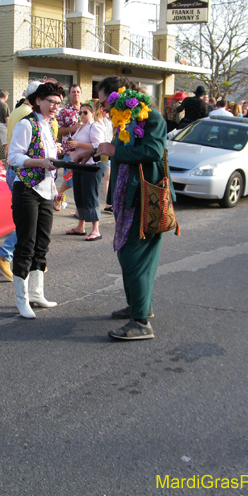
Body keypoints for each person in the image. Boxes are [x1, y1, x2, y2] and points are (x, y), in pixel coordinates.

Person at [73, 76, 168, 341]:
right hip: (128, 198)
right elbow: (120, 148)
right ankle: (139, 306)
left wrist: (112, 151)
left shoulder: (151, 118)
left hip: (144, 199)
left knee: (134, 258)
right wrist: (95, 152)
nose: (102, 108)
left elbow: (152, 151)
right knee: (132, 257)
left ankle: (141, 323)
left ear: (119, 98)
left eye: (104, 103)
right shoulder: (124, 119)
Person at [7, 81, 63, 319]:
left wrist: (56, 152)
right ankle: (21, 299)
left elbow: (46, 155)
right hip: (27, 190)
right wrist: (41, 162)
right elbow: (13, 157)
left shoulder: (48, 125)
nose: (55, 106)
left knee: (42, 243)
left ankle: (36, 293)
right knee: (26, 244)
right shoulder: (26, 123)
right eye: (51, 101)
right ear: (38, 101)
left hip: (46, 190)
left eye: (58, 103)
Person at [0, 84, 43, 282]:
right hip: (25, 172)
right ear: (38, 98)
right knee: (30, 222)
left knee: (30, 220)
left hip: (14, 169)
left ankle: (33, 258)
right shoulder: (29, 115)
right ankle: (5, 253)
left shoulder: (17, 110)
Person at [65, 103, 109, 241]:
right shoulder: (81, 127)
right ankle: (81, 226)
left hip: (92, 165)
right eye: (80, 112)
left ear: (92, 114)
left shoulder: (95, 126)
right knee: (79, 195)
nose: (82, 115)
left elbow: (98, 146)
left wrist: (79, 144)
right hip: (79, 165)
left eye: (85, 112)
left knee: (90, 195)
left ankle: (96, 229)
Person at [54, 84, 83, 211]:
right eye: (73, 92)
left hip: (84, 149)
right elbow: (58, 130)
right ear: (69, 94)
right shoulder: (64, 111)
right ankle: (58, 196)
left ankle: (79, 209)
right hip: (70, 150)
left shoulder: (85, 109)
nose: (76, 94)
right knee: (70, 179)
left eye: (78, 92)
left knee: (81, 180)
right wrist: (72, 128)